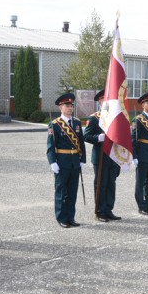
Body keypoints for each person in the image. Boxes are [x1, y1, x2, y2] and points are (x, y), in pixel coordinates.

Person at [47, 92, 86, 228]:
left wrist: (82, 159)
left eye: (71, 105)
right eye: (66, 105)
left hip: (75, 160)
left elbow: (81, 142)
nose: (70, 108)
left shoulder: (76, 122)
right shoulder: (55, 124)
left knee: (72, 191)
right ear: (60, 108)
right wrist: (53, 162)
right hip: (62, 161)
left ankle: (70, 217)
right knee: (61, 191)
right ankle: (61, 217)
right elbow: (51, 146)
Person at [83, 90, 120, 223]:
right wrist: (98, 138)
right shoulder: (94, 118)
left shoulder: (115, 118)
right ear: (99, 102)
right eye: (103, 101)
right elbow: (86, 136)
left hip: (113, 156)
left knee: (111, 184)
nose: (105, 103)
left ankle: (108, 210)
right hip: (100, 156)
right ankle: (100, 211)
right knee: (101, 184)